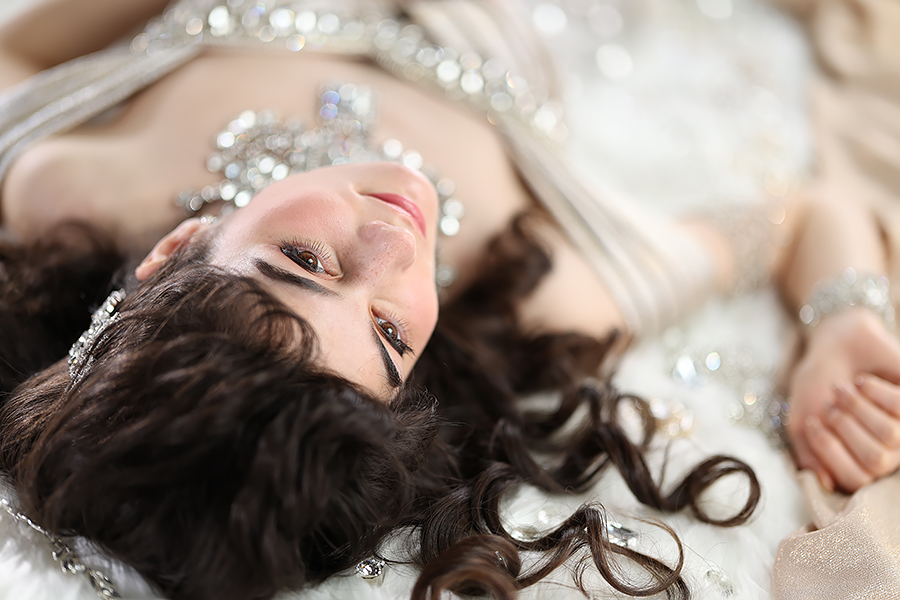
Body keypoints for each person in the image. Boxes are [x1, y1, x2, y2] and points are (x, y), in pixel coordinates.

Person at [0, 1, 897, 599]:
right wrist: (844, 320)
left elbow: (21, 48)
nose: (394, 248)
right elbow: (798, 218)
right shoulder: (547, 291)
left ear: (178, 248)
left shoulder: (71, 187)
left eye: (304, 259)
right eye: (391, 336)